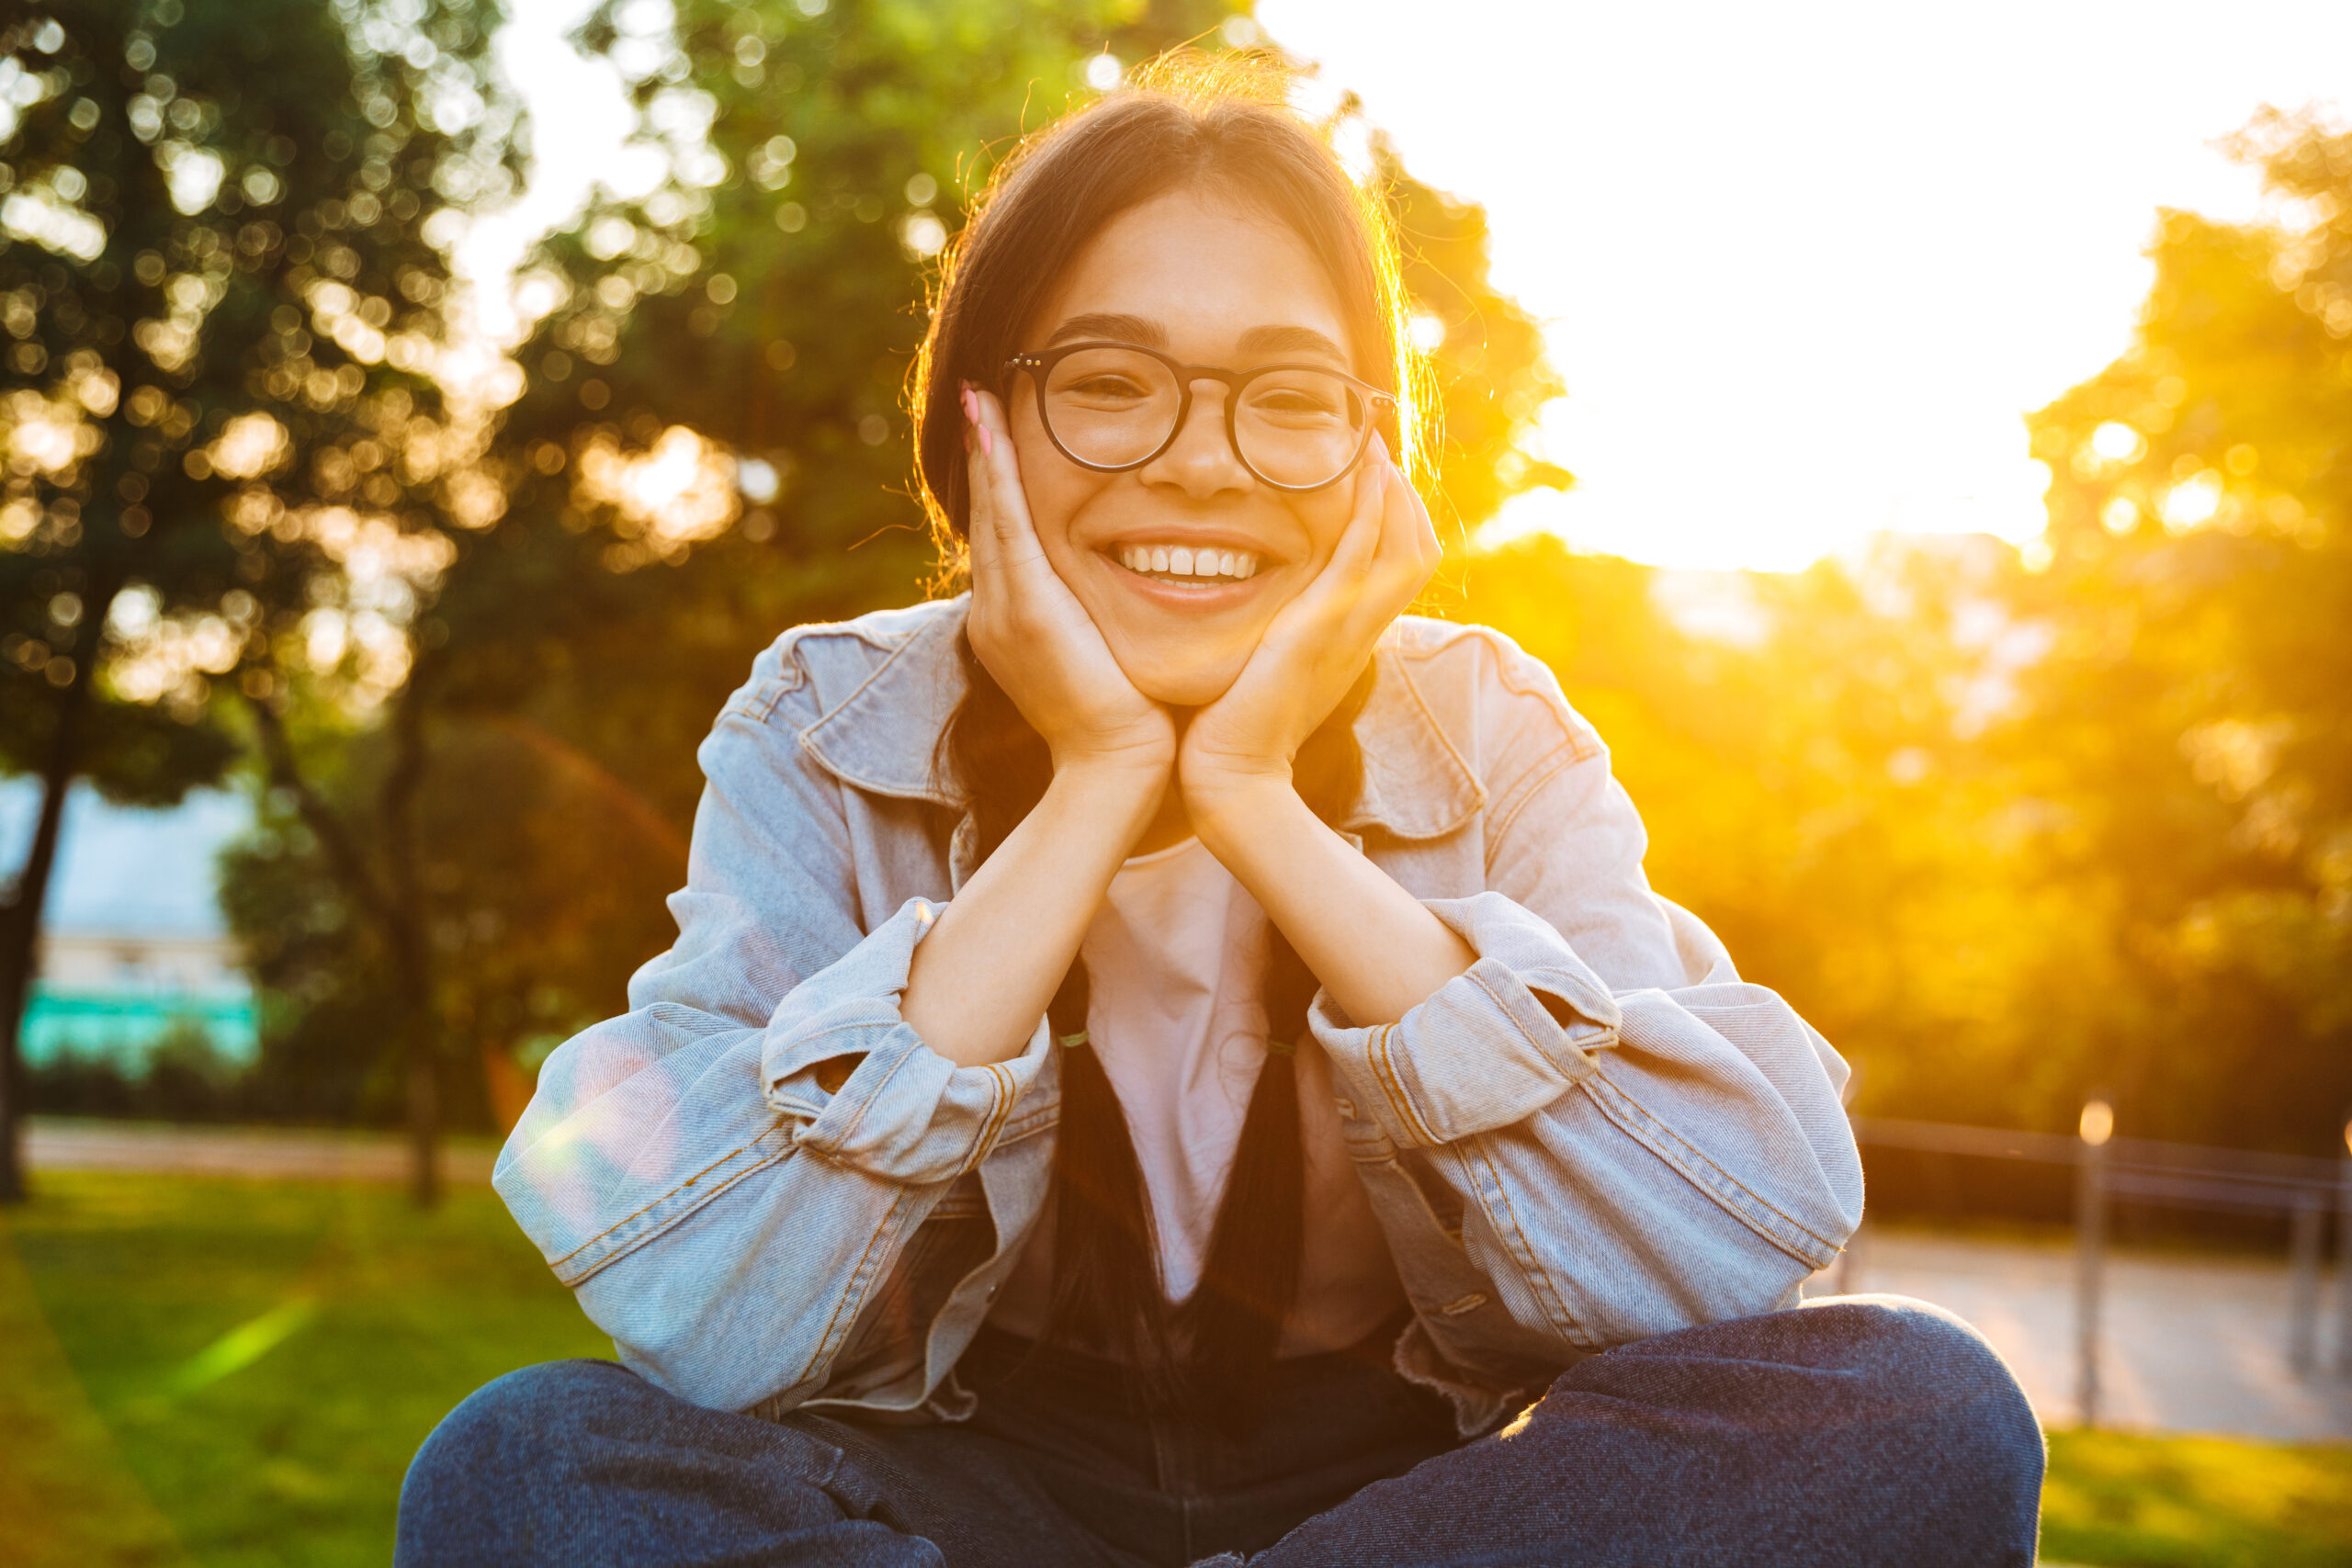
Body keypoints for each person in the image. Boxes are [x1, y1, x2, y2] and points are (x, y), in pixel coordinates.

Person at [396, 54, 2042, 1568]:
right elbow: (707, 1315)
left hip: (1398, 1493)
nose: (1203, 462)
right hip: (976, 1474)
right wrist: (1098, 783)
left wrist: (1256, 794)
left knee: (1922, 1413)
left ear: (1376, 455)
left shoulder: (1490, 723)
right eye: (1112, 383)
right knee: (525, 1469)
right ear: (975, 424)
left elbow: (1724, 1253)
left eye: (1290, 397)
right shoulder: (824, 724)